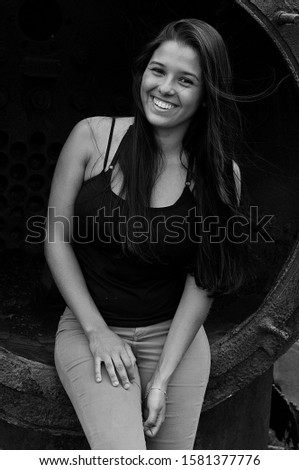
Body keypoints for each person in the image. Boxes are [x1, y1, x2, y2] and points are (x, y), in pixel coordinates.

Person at [45, 18, 244, 450]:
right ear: (143, 72)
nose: (165, 88)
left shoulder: (221, 176)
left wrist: (163, 379)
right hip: (90, 328)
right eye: (158, 71)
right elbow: (56, 236)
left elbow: (203, 279)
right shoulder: (93, 137)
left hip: (176, 339)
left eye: (185, 80)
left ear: (206, 95)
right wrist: (97, 331)